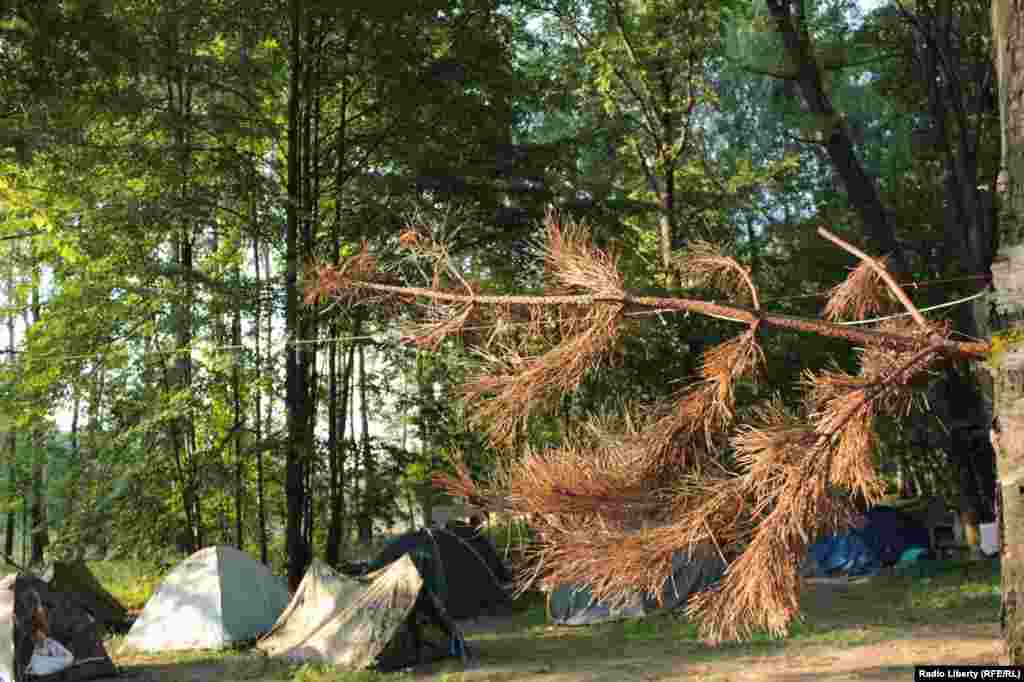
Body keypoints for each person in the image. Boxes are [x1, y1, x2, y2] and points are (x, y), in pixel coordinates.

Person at [26, 605, 74, 677]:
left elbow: (68, 657)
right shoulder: (37, 647)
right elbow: (34, 660)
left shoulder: (50, 643)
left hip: (55, 662)